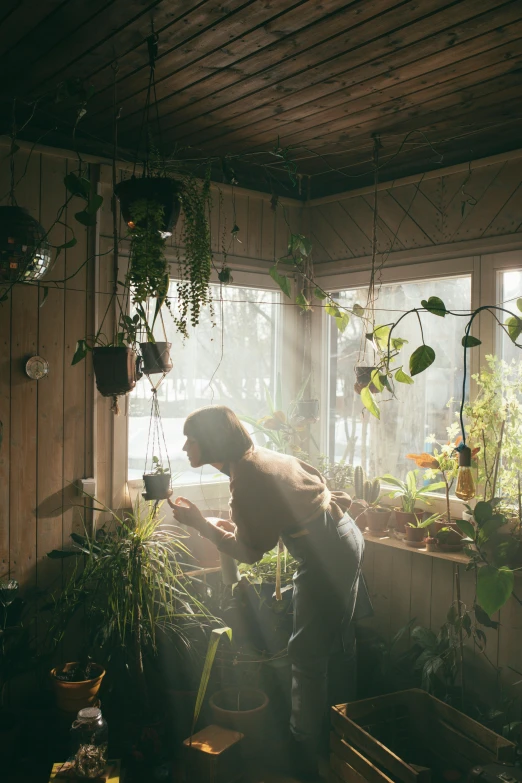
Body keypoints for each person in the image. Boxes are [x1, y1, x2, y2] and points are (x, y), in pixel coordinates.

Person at [169, 406, 372, 779]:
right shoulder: (258, 458)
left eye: (191, 439)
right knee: (338, 642)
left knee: (307, 655)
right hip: (343, 535)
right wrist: (231, 526)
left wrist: (199, 524)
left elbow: (248, 552)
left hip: (326, 553)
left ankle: (304, 756)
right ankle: (343, 738)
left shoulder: (246, 478)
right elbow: (284, 510)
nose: (184, 447)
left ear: (212, 442)